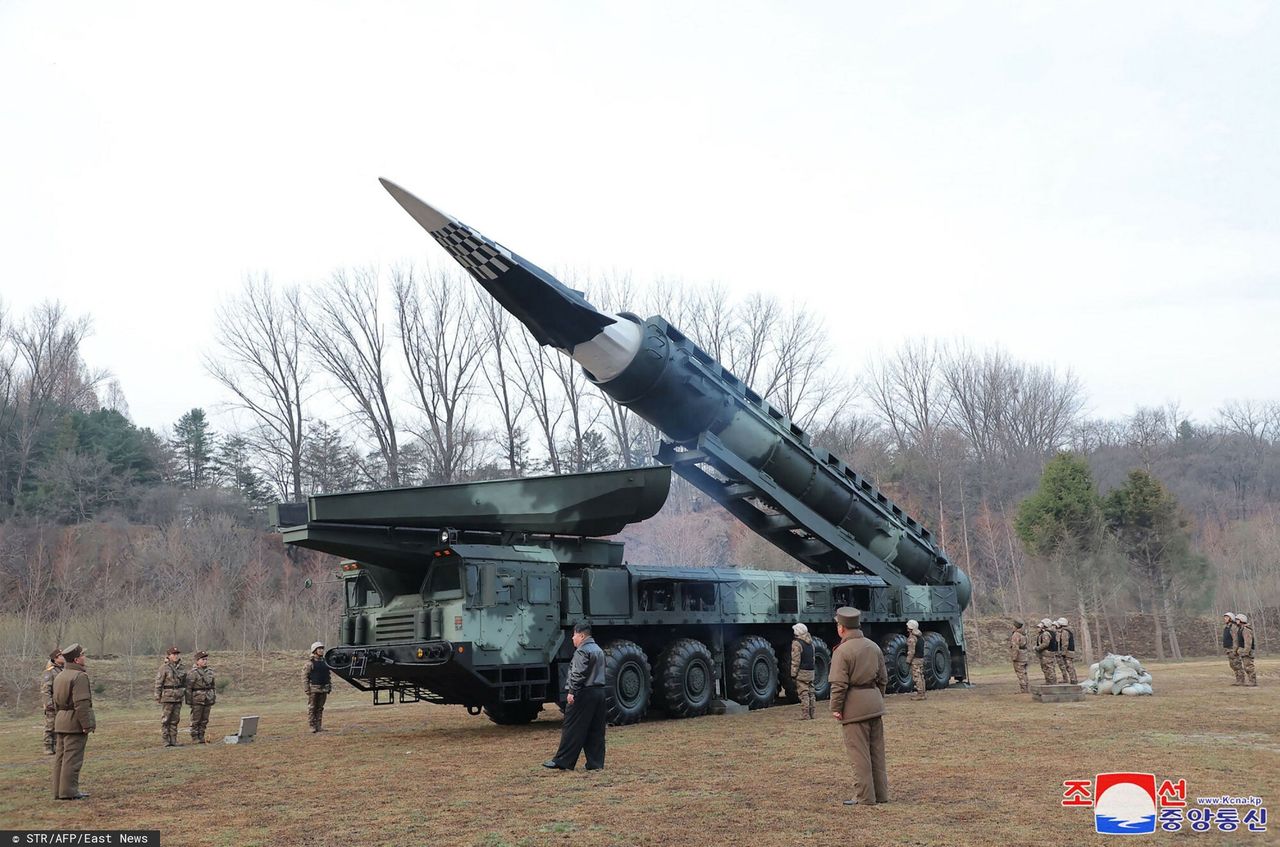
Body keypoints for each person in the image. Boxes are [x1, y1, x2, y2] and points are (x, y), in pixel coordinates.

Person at [829, 606, 889, 807]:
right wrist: (876, 698)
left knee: (859, 754)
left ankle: (864, 797)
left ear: (842, 628)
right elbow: (883, 679)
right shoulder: (873, 646)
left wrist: (836, 707)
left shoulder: (842, 651)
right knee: (877, 752)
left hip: (854, 709)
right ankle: (881, 794)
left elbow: (839, 684)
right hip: (874, 704)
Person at [544, 622, 607, 771]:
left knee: (572, 727)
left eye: (575, 635)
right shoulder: (598, 649)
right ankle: (596, 763)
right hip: (599, 692)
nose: (572, 638)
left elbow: (578, 673)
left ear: (582, 635)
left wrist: (572, 691)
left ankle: (563, 760)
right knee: (596, 730)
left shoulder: (582, 651)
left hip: (583, 693)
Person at [52, 643, 94, 800]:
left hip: (61, 720)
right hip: (74, 722)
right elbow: (82, 704)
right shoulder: (79, 677)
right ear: (77, 659)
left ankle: (59, 791)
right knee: (72, 759)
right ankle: (69, 791)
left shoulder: (60, 675)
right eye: (82, 655)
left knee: (60, 759)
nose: (85, 657)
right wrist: (87, 724)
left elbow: (56, 702)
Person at [154, 646, 187, 747]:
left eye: (177, 654)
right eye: (174, 654)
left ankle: (174, 740)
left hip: (178, 697)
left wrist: (184, 693)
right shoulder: (164, 668)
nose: (176, 656)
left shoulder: (182, 667)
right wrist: (157, 696)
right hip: (168, 697)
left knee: (175, 720)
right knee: (166, 720)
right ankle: (166, 740)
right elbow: (158, 683)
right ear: (169, 656)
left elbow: (185, 682)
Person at [187, 651, 216, 743]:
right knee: (196, 719)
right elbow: (188, 688)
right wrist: (189, 701)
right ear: (197, 661)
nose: (205, 661)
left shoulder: (210, 671)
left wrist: (213, 697)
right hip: (197, 699)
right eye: (203, 659)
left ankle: (201, 735)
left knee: (205, 719)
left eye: (206, 659)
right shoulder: (193, 672)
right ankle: (195, 737)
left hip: (208, 698)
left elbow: (213, 685)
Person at [41, 649, 65, 755]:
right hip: (52, 704)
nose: (63, 657)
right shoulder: (49, 671)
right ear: (55, 658)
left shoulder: (62, 669)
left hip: (61, 704)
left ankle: (57, 745)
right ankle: (47, 746)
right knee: (50, 726)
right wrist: (49, 704)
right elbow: (45, 690)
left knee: (59, 725)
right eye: (61, 656)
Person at [791, 622, 816, 720]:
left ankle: (805, 715)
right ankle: (812, 713)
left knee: (803, 693)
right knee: (811, 692)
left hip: (801, 672)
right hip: (811, 671)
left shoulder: (797, 644)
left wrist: (793, 673)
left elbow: (795, 660)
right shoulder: (811, 643)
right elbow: (813, 658)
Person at [305, 641, 332, 732]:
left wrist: (329, 686)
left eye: (322, 649)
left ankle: (319, 726)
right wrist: (307, 689)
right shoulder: (310, 663)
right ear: (314, 650)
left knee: (320, 708)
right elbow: (305, 677)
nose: (321, 650)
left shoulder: (325, 662)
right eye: (319, 649)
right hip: (314, 689)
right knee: (312, 708)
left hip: (324, 688)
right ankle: (312, 726)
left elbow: (328, 675)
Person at [905, 620, 926, 700]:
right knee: (921, 676)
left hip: (915, 660)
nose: (907, 629)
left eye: (908, 627)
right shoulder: (920, 637)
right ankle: (922, 693)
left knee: (917, 677)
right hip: (920, 659)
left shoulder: (912, 638)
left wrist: (908, 660)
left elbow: (911, 651)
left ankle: (920, 694)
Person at [1236, 614, 1257, 687]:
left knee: (1249, 666)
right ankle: (1250, 681)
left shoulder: (1246, 630)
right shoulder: (1241, 629)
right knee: (1246, 666)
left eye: (1238, 620)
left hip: (1247, 651)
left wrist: (1246, 652)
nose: (1236, 621)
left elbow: (1248, 642)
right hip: (1243, 651)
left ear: (1242, 620)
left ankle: (1253, 681)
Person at [1055, 617, 1078, 685]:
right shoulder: (1067, 631)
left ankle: (1073, 680)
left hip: (1068, 652)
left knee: (1069, 666)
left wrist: (1063, 653)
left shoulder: (1065, 632)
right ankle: (1073, 679)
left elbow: (1065, 643)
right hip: (1069, 651)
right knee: (1069, 666)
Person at [1034, 619, 1057, 685]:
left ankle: (1052, 683)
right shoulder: (1051, 632)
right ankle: (1049, 682)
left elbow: (1045, 644)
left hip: (1047, 653)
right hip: (1048, 653)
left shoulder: (1046, 633)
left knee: (1049, 668)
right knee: (1046, 668)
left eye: (1042, 624)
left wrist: (1037, 648)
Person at [1010, 619, 1030, 694]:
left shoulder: (1016, 635)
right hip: (1024, 655)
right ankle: (1026, 688)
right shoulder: (1024, 634)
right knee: (1024, 673)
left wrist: (1014, 657)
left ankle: (1024, 690)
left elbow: (1015, 647)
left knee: (1020, 674)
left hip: (1019, 656)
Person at [1224, 613, 1244, 685]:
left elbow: (1235, 639)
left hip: (1233, 649)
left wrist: (1235, 650)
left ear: (1231, 618)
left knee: (1237, 665)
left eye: (1226, 617)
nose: (1225, 618)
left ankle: (1241, 680)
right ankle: (1238, 680)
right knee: (1233, 665)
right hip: (1229, 649)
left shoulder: (1233, 627)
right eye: (1225, 617)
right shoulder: (1227, 627)